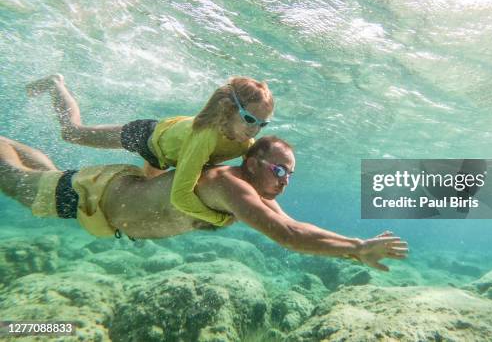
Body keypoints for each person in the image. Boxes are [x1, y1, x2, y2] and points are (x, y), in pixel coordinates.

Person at [0, 135, 408, 271]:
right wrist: (355, 248)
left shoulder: (250, 191)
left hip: (107, 193)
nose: (284, 182)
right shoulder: (232, 187)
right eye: (279, 171)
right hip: (98, 197)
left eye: (290, 175)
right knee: (18, 185)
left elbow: (296, 225)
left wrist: (355, 247)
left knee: (39, 179)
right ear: (252, 163)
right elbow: (288, 236)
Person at [26, 74, 274, 223]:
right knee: (72, 133)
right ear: (228, 109)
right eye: (250, 120)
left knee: (142, 195)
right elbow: (180, 196)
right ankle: (55, 83)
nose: (254, 130)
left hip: (165, 155)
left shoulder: (245, 144)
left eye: (263, 124)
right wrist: (219, 218)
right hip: (145, 137)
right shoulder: (205, 138)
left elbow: (254, 181)